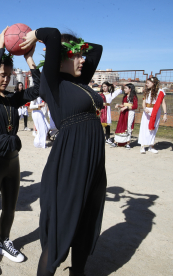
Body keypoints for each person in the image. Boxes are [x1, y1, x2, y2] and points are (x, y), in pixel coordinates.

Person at [21, 28, 105, 276]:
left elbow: (96, 49)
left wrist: (76, 47)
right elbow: (53, 34)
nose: (83, 59)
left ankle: (77, 272)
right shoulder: (52, 81)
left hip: (93, 162)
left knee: (86, 221)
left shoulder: (79, 82)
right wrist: (37, 35)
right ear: (61, 57)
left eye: (82, 56)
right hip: (71, 161)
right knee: (62, 227)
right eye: (77, 55)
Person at [0, 27, 40, 276]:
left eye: (8, 74)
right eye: (2, 74)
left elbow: (39, 89)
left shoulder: (13, 98)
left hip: (13, 161)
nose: (5, 78)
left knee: (11, 208)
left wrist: (29, 59)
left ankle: (4, 242)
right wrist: (0, 47)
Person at [138, 77, 167, 154]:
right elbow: (143, 102)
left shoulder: (160, 92)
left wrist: (165, 114)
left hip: (156, 111)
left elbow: (163, 103)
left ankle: (151, 146)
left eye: (148, 83)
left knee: (153, 128)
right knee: (144, 128)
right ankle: (142, 146)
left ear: (153, 83)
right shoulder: (146, 91)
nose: (146, 84)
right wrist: (144, 109)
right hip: (147, 111)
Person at [111, 83, 138, 149]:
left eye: (126, 88)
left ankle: (128, 143)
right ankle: (115, 142)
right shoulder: (125, 96)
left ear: (130, 89)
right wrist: (119, 105)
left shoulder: (133, 97)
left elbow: (135, 106)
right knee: (120, 126)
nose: (124, 89)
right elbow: (124, 105)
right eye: (124, 88)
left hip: (130, 113)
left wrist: (126, 108)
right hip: (124, 113)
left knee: (128, 127)